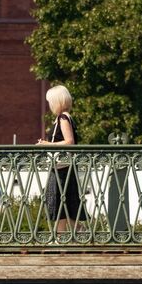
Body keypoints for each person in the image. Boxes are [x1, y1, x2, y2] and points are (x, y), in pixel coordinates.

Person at [37, 84, 82, 236]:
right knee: (64, 200)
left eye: (50, 101)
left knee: (60, 199)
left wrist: (47, 144)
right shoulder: (64, 117)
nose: (49, 105)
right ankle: (68, 233)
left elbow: (70, 142)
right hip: (64, 166)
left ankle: (67, 234)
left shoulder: (63, 118)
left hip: (62, 166)